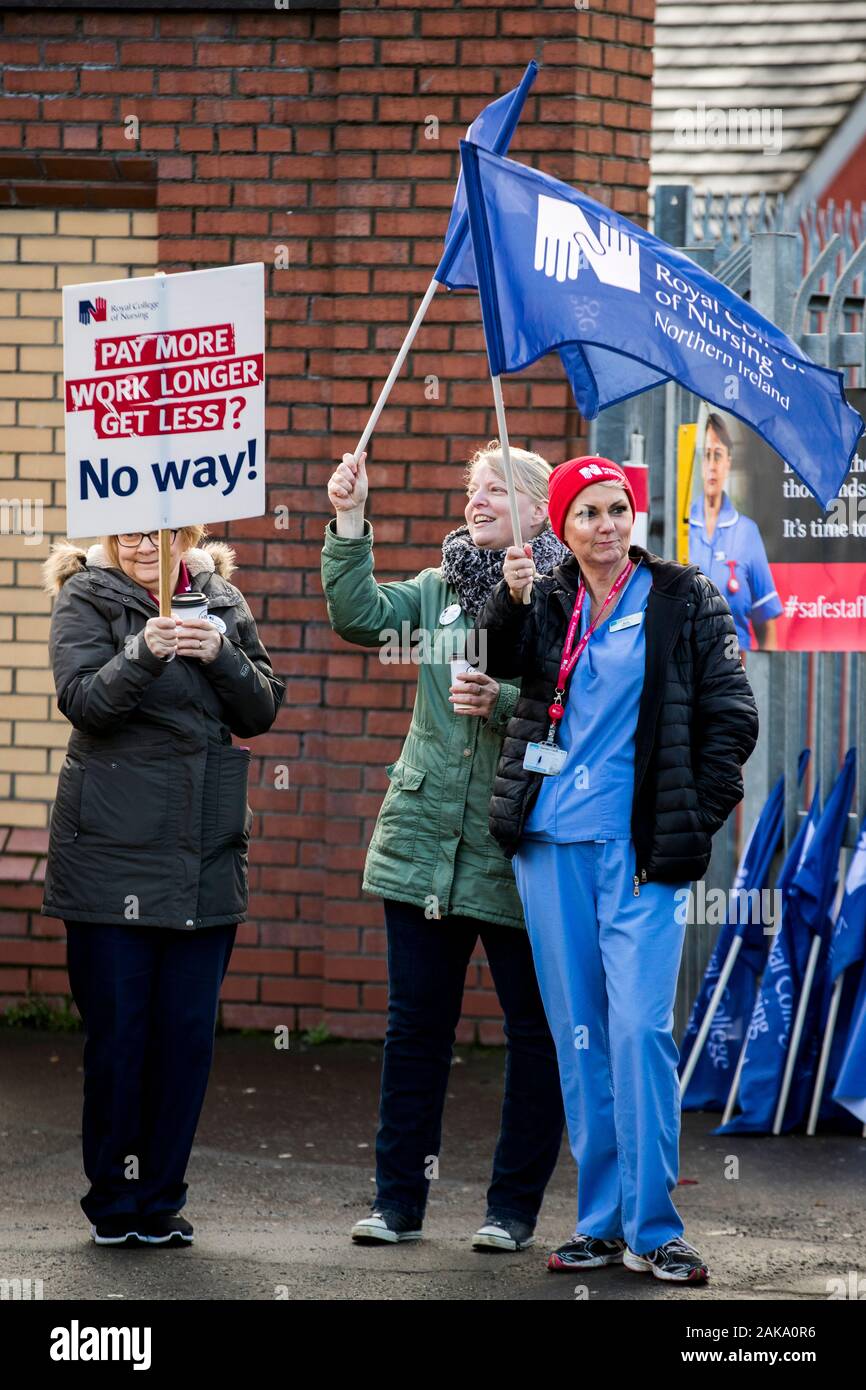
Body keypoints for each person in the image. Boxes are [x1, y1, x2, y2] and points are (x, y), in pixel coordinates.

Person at [476, 455, 759, 1284]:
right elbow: (494, 660)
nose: (606, 526)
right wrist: (512, 593)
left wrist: (691, 815)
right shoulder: (548, 593)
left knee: (639, 1030)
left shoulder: (682, 594)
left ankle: (656, 1226)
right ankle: (599, 1222)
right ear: (561, 526)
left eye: (618, 509)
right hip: (550, 844)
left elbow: (731, 717)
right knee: (582, 1035)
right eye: (588, 514)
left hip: (641, 856)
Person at [321, 440, 568, 1251]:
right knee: (416, 1028)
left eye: (497, 489)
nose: (477, 499)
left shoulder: (565, 599)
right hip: (425, 841)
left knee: (533, 1033)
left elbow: (573, 732)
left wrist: (500, 701)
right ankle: (398, 1205)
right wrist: (349, 519)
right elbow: (358, 616)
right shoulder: (437, 591)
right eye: (472, 487)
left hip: (516, 846)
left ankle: (511, 1212)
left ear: (537, 509)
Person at [41, 525, 285, 1247]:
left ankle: (161, 1200)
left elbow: (261, 709)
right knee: (120, 1037)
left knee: (185, 1039)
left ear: (190, 533)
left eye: (164, 532)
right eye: (132, 531)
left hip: (203, 854)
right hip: (110, 854)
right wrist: (143, 649)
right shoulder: (87, 595)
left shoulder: (221, 598)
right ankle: (113, 1202)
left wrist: (223, 656)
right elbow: (84, 702)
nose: (148, 545)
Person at [689, 412, 783, 652]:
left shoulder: (746, 532)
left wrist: (761, 683)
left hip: (735, 673)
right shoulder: (682, 526)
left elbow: (767, 623)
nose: (711, 465)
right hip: (686, 671)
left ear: (728, 462)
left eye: (718, 456)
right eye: (707, 455)